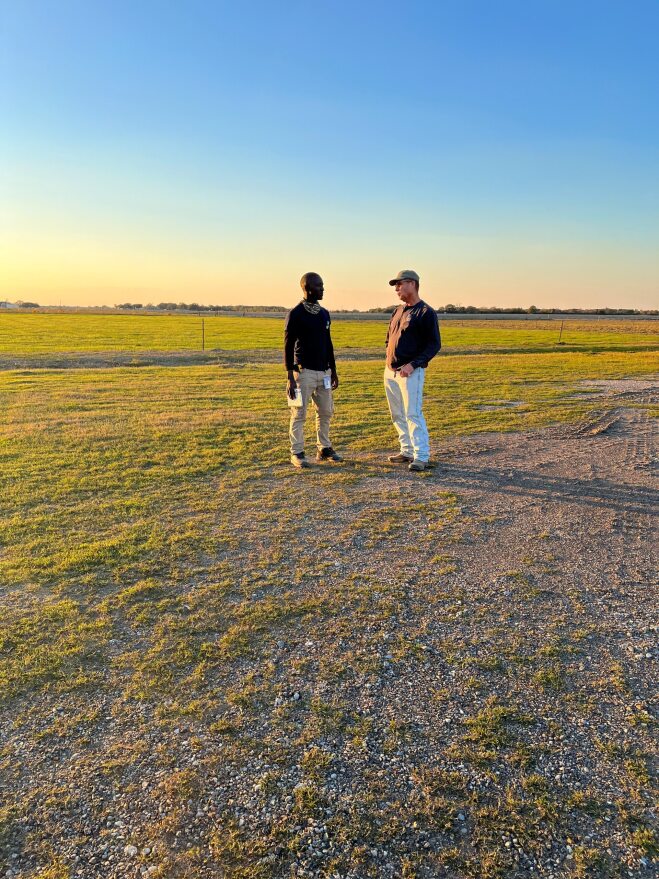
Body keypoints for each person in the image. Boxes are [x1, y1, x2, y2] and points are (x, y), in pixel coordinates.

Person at [384, 269, 441, 472]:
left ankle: (421, 456)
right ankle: (406, 450)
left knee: (412, 414)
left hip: (410, 372)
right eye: (396, 285)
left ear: (413, 284)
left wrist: (413, 364)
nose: (397, 288)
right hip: (391, 372)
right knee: (397, 414)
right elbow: (389, 338)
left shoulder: (426, 312)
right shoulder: (397, 310)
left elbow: (434, 345)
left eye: (400, 284)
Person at [284, 272, 342, 469]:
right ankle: (297, 452)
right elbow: (288, 346)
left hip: (324, 372)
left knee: (325, 412)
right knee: (299, 414)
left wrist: (333, 370)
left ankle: (324, 448)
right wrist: (290, 377)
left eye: (323, 285)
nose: (323, 289)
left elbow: (328, 343)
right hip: (303, 373)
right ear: (307, 288)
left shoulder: (324, 313)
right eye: (319, 286)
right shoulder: (296, 314)